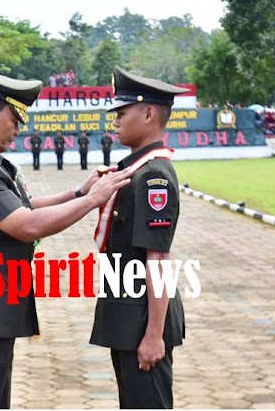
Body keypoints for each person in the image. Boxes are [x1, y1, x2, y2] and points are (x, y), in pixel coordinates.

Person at [0, 68, 131, 409]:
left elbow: (21, 207)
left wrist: (79, 191)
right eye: (15, 119)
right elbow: (27, 225)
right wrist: (93, 200)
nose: (18, 131)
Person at [90, 66, 187, 409]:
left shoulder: (153, 176)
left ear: (148, 114)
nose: (115, 120)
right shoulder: (133, 170)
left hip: (143, 321)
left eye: (121, 112)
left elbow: (158, 259)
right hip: (129, 315)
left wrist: (154, 335)